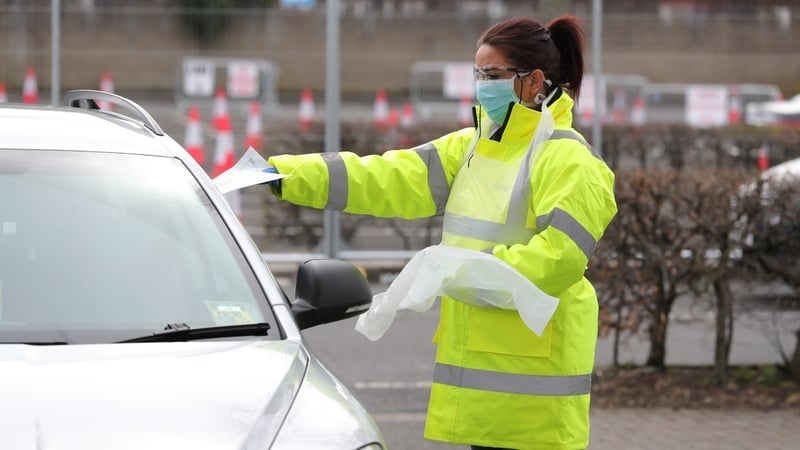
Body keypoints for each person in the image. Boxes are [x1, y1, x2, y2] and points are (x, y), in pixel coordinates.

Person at [265, 14, 617, 450]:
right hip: (487, 393)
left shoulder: (569, 160)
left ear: (533, 81)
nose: (481, 85)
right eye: (478, 74)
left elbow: (559, 259)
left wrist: (460, 271)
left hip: (534, 400)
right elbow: (389, 176)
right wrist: (284, 174)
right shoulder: (473, 146)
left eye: (492, 75)